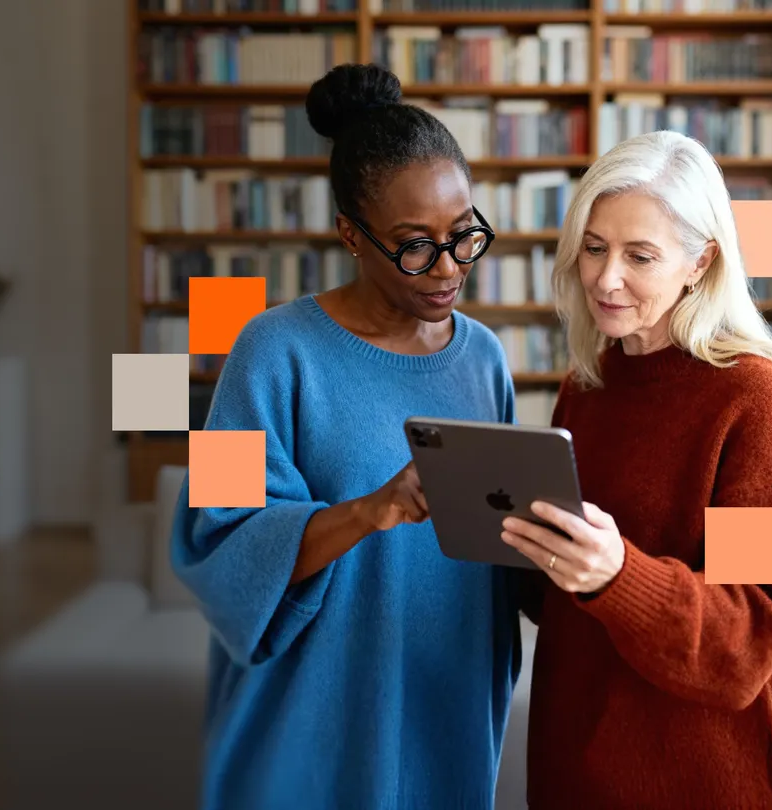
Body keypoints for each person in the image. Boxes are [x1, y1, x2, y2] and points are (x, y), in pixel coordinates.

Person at [168, 63, 520, 809]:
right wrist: (369, 510)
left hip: (445, 713)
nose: (449, 267)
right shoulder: (268, 349)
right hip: (305, 728)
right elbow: (214, 534)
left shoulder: (484, 358)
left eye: (463, 235)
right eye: (414, 245)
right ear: (350, 237)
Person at [500, 130, 772, 810]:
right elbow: (565, 605)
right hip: (574, 768)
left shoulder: (751, 400)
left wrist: (618, 574)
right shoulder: (588, 385)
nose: (604, 277)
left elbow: (744, 639)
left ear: (700, 263)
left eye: (639, 256)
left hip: (700, 780)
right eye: (593, 247)